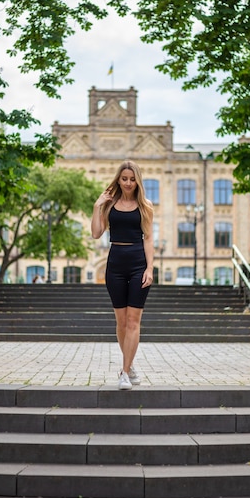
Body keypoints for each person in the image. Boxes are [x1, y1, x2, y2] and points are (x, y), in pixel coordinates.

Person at [91, 160, 154, 390]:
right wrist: (97, 205)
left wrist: (149, 268)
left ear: (137, 180)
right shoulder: (109, 205)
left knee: (133, 320)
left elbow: (148, 238)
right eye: (124, 178)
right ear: (118, 179)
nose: (128, 183)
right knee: (120, 322)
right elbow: (97, 233)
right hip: (115, 263)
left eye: (132, 179)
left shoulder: (146, 205)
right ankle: (131, 364)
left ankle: (124, 372)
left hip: (138, 263)